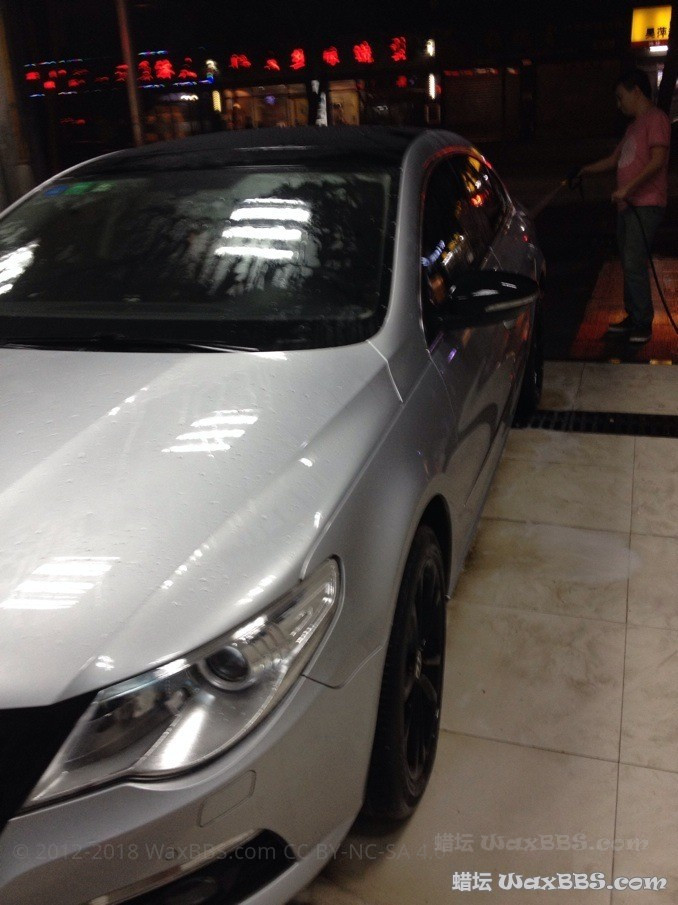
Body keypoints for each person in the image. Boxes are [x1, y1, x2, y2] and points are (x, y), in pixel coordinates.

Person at [579, 68, 670, 344]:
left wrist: (628, 188)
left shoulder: (656, 119)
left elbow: (657, 161)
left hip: (645, 204)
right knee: (629, 262)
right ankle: (634, 315)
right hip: (628, 205)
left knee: (633, 260)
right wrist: (584, 170)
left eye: (621, 97)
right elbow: (614, 159)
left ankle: (642, 322)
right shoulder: (633, 127)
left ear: (636, 91)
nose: (619, 105)